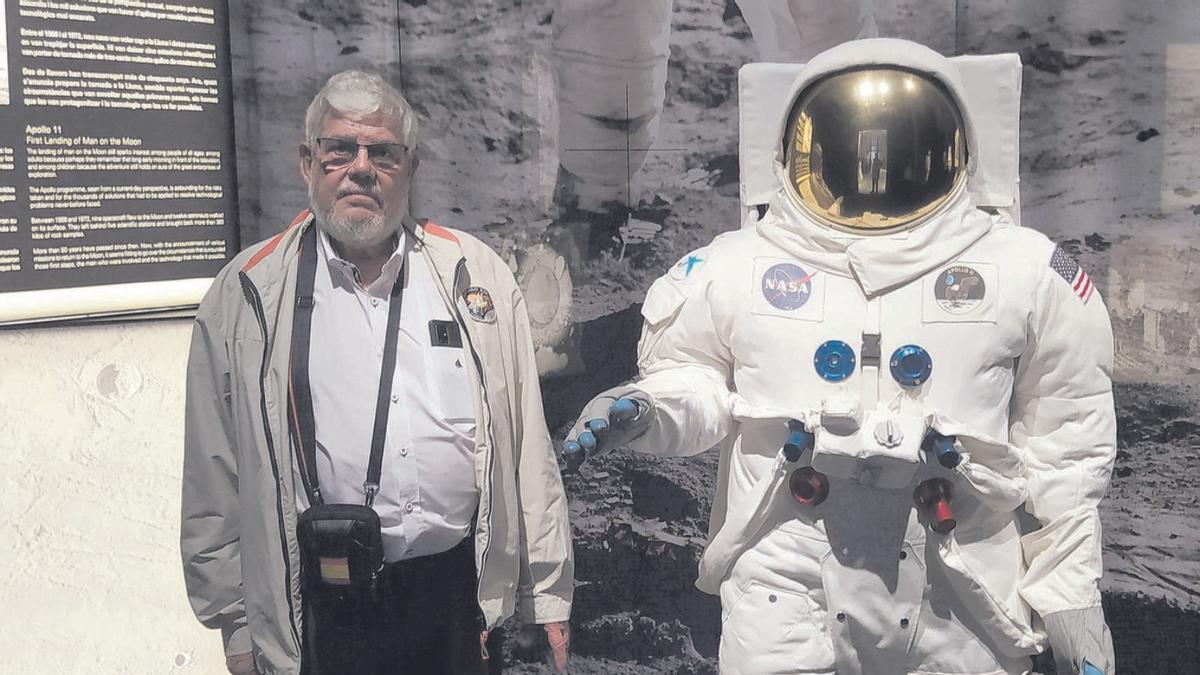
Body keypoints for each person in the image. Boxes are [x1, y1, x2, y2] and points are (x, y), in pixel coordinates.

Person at [564, 39, 1116, 675]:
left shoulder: (1024, 271)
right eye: (849, 141)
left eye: (898, 142)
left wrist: (1070, 600)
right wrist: (645, 408)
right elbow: (696, 384)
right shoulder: (735, 268)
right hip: (789, 574)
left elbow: (1066, 451)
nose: (871, 165)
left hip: (960, 583)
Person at [181, 70, 573, 675]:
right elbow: (215, 472)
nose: (360, 168)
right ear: (306, 164)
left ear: (410, 168)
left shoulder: (478, 277)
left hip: (453, 599)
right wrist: (235, 623)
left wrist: (544, 590)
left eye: (382, 153)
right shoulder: (246, 295)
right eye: (339, 150)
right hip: (317, 605)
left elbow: (527, 450)